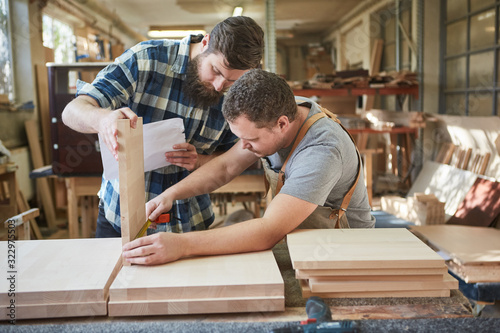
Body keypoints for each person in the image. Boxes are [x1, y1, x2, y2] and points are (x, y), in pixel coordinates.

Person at [122, 69, 376, 265]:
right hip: (303, 240)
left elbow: (267, 231)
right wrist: (169, 196)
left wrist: (181, 245)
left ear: (282, 124)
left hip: (345, 252)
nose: (243, 147)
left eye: (251, 140)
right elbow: (225, 168)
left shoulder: (322, 151)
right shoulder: (278, 107)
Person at [62, 16, 264, 238]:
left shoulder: (239, 91)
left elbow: (229, 158)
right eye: (216, 71)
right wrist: (102, 119)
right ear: (206, 43)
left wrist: (200, 161)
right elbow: (72, 111)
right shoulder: (147, 59)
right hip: (121, 220)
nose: (219, 86)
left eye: (231, 81)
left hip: (190, 226)